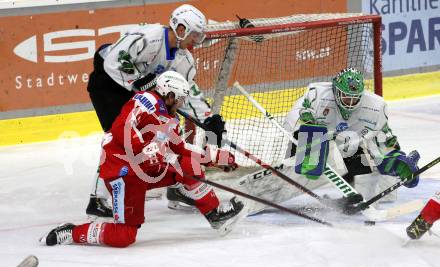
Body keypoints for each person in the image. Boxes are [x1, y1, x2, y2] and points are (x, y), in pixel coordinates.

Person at [40, 71, 245, 248]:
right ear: (170, 95)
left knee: (189, 165)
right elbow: (123, 128)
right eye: (180, 99)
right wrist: (145, 151)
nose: (181, 104)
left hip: (145, 168)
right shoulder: (146, 101)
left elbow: (180, 148)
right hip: (122, 171)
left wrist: (214, 157)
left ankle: (215, 214)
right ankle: (71, 232)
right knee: (124, 236)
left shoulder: (171, 119)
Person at [85, 4, 222, 217]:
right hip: (109, 84)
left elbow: (186, 93)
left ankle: (178, 188)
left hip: (140, 92)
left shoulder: (184, 60)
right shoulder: (148, 37)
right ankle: (98, 198)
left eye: (199, 36)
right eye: (194, 34)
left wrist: (207, 117)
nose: (196, 40)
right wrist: (138, 81)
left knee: (169, 130)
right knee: (119, 137)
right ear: (181, 28)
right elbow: (113, 61)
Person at [240, 68, 420, 215]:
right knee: (311, 161)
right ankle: (272, 185)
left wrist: (399, 162)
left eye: (354, 97)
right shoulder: (317, 95)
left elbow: (386, 141)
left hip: (348, 148)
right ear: (335, 90)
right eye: (346, 96)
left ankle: (355, 195)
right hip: (314, 144)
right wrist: (308, 126)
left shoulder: (375, 107)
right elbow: (291, 122)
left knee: (382, 175)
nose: (350, 102)